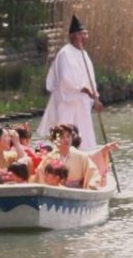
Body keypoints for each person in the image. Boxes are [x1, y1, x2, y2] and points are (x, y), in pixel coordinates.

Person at [42, 14, 101, 154]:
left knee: (84, 134)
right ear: (73, 36)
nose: (85, 37)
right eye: (82, 34)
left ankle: (85, 158)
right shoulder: (65, 53)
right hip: (67, 102)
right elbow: (65, 79)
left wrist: (95, 98)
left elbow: (90, 80)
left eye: (86, 34)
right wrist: (85, 90)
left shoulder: (84, 54)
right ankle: (61, 158)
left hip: (82, 103)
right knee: (65, 132)